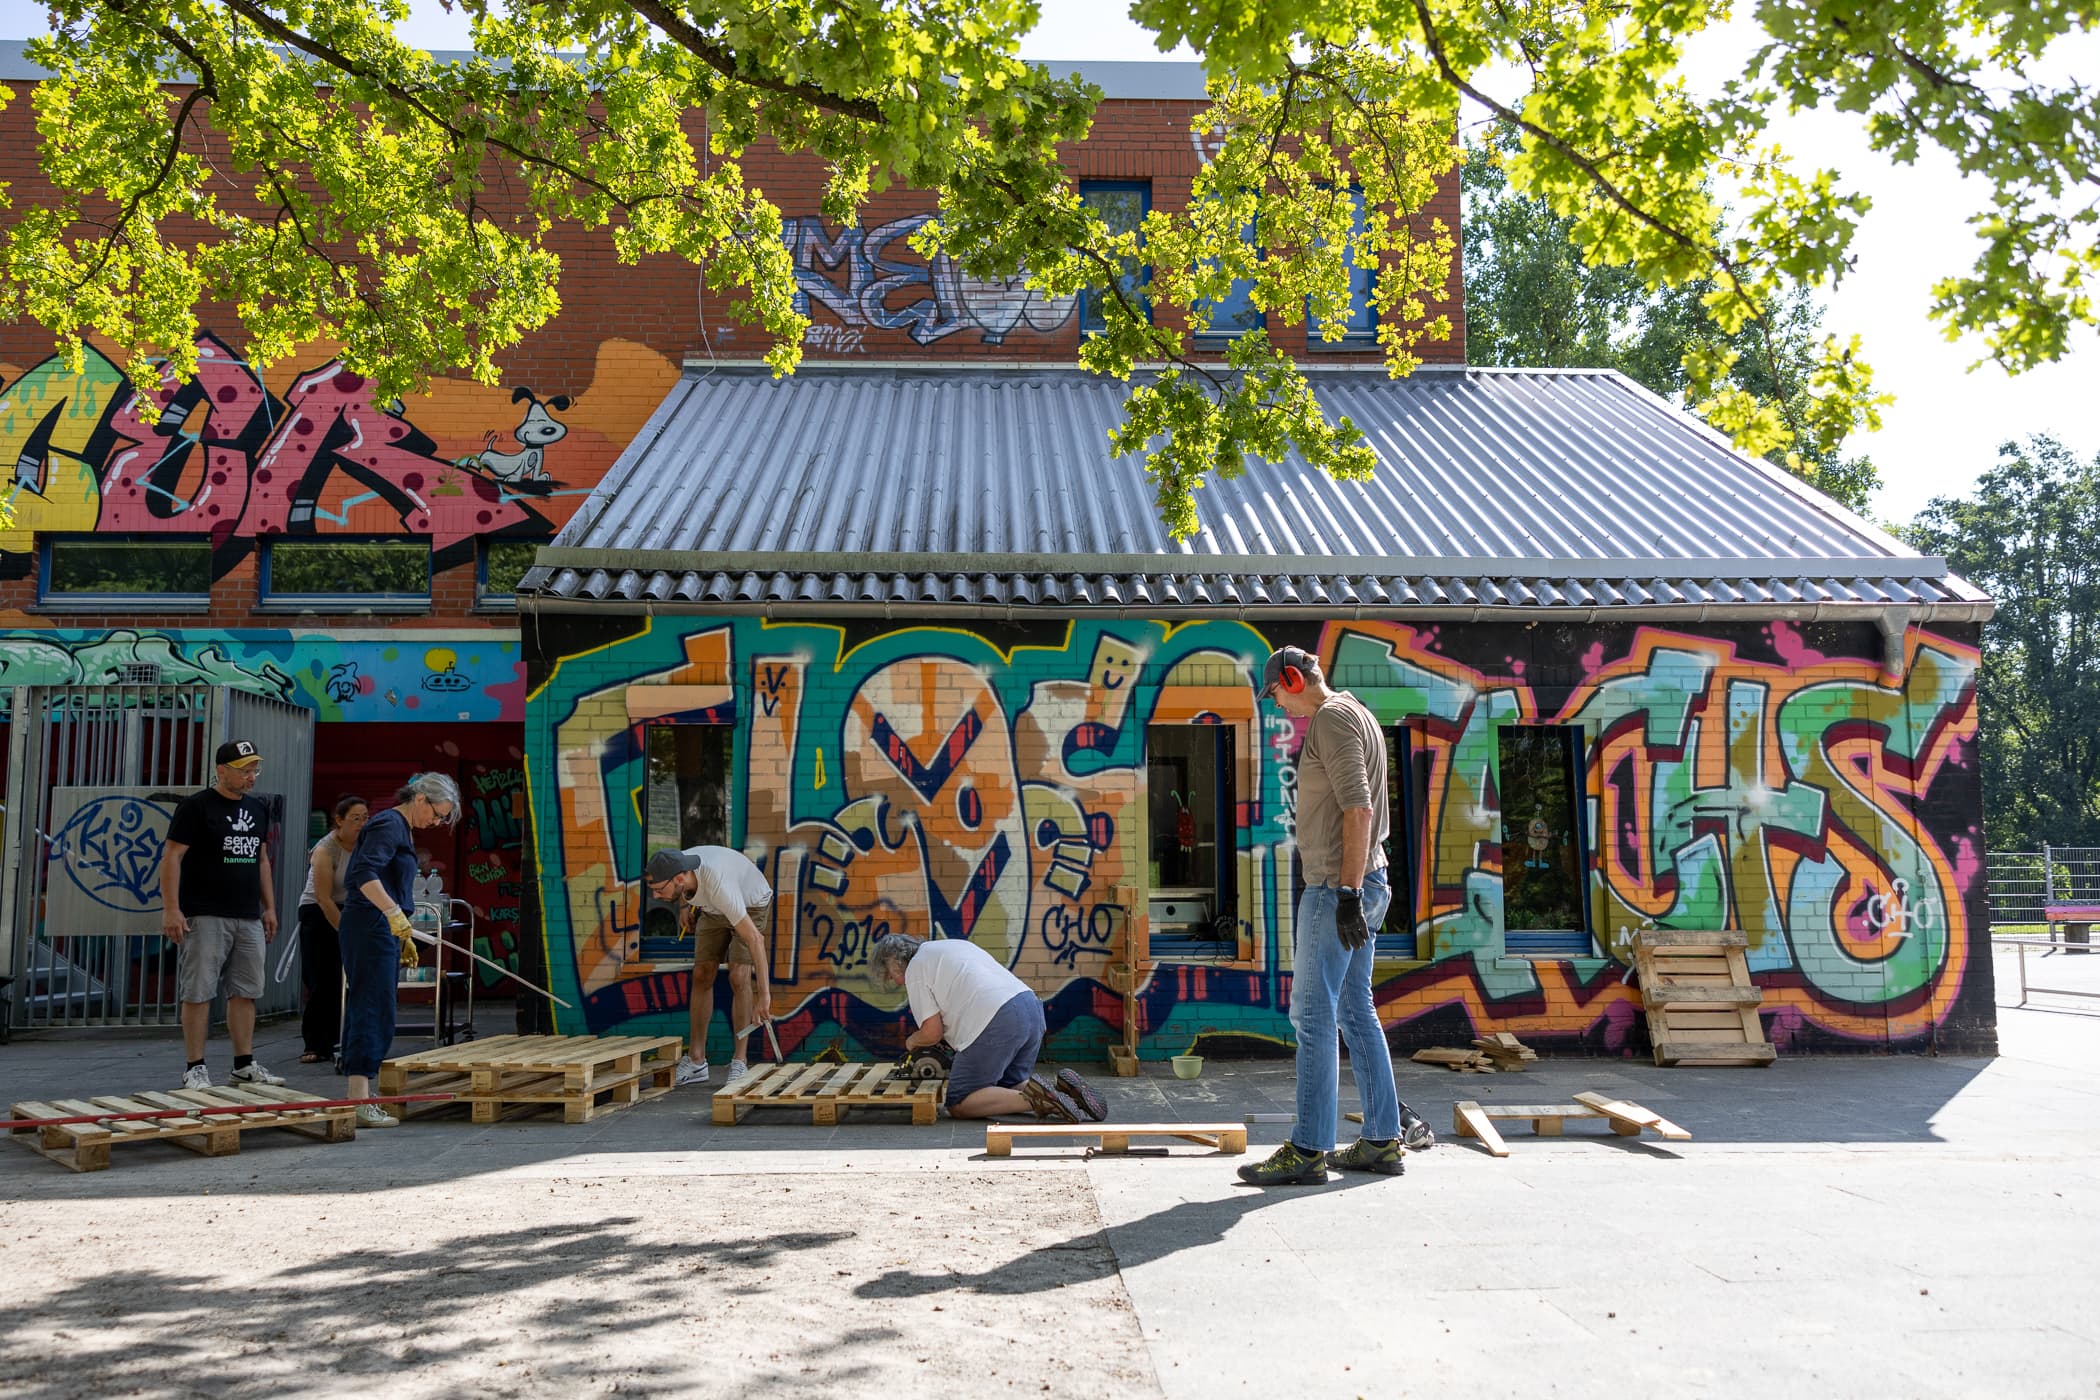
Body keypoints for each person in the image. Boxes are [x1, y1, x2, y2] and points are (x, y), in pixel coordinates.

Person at [1239, 645, 1431, 1186]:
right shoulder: (1359, 712)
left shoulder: (1329, 719)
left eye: (1275, 693)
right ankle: (1380, 1141)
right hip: (1365, 881)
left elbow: (1359, 805)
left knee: (1313, 1014)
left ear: (1293, 679)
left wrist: (1345, 891)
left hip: (1336, 888)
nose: (1277, 707)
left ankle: (1307, 1148)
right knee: (1353, 1006)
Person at [867, 933, 1107, 1122]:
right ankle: (1063, 1091)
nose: (896, 982)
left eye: (891, 976)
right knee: (1007, 1084)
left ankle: (1039, 1099)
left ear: (895, 963)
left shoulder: (916, 969)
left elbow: (932, 1032)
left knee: (959, 1101)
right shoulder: (952, 946)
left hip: (997, 1021)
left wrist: (912, 1041)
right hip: (1030, 1008)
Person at [338, 773, 460, 1129]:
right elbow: (363, 873)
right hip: (370, 925)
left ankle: (362, 1092)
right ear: (420, 798)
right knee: (371, 1007)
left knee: (378, 1006)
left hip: (382, 929)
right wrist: (392, 913)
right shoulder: (389, 824)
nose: (436, 822)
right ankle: (358, 1097)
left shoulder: (400, 828)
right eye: (437, 814)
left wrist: (402, 928)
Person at [161, 739, 285, 1090]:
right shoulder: (196, 807)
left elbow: (261, 860)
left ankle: (244, 1064)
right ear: (221, 771)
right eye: (244, 770)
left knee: (246, 991)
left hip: (247, 914)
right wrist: (172, 908)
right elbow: (172, 857)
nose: (251, 776)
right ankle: (195, 1067)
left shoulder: (258, 809)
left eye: (254, 769)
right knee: (198, 990)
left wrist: (270, 907)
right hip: (205, 912)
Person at [644, 846, 774, 1087]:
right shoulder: (676, 863)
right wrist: (685, 906)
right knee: (702, 974)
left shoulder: (720, 886)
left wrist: (764, 996)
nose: (656, 897)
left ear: (679, 879)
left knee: (739, 975)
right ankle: (696, 1061)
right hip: (712, 910)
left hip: (750, 904)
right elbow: (683, 886)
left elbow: (756, 939)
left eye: (659, 891)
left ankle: (739, 1061)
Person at [296, 794, 368, 1064]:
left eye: (365, 818)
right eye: (354, 819)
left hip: (349, 908)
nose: (360, 824)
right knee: (321, 979)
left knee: (345, 978)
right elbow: (324, 898)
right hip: (318, 910)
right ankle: (314, 1043)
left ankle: (342, 1037)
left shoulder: (365, 845)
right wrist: (344, 931)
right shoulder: (325, 849)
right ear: (338, 821)